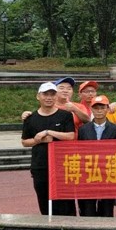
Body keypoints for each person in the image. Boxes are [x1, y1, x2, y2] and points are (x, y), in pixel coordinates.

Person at [21, 82, 76, 216]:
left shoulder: (65, 115)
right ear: (38, 96)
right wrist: (38, 140)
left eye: (52, 94)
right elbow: (25, 142)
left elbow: (70, 136)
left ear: (56, 97)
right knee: (44, 200)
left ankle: (69, 226)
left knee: (66, 202)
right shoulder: (30, 118)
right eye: (45, 94)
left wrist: (49, 132)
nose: (49, 98)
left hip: (62, 165)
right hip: (40, 166)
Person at [77, 95, 116, 217]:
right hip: (88, 173)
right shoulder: (83, 129)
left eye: (102, 108)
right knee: (87, 209)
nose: (99, 111)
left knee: (106, 210)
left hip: (108, 174)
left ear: (107, 109)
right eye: (96, 108)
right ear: (91, 109)